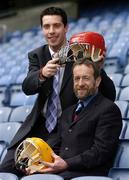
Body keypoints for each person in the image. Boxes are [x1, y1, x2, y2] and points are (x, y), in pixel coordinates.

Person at [0, 7, 116, 175]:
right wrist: (41, 74)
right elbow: (27, 87)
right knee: (5, 170)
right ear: (42, 29)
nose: (51, 31)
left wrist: (99, 69)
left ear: (66, 27)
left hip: (67, 128)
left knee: (41, 173)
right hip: (39, 125)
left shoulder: (79, 51)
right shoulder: (37, 55)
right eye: (46, 27)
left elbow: (108, 95)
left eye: (56, 26)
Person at [37, 59, 122, 180]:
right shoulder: (67, 112)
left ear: (97, 81)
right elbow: (56, 144)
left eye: (86, 78)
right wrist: (39, 163)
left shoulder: (109, 110)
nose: (80, 83)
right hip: (61, 172)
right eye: (77, 78)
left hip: (87, 174)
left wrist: (66, 164)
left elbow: (101, 151)